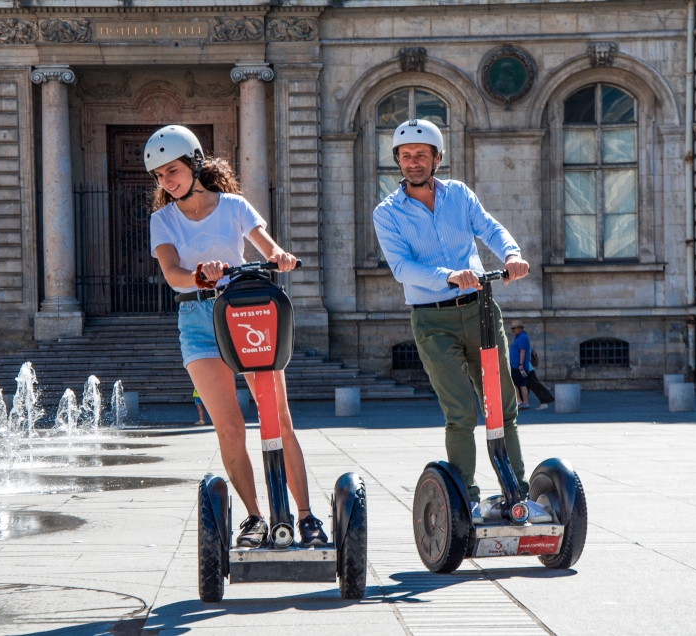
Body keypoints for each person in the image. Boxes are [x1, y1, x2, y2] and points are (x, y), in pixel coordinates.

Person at [146, 125, 328, 548]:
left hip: (245, 312)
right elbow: (172, 273)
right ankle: (254, 518)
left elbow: (267, 247)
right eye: (158, 176)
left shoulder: (234, 207)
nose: (166, 181)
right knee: (228, 427)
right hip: (197, 319)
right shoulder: (163, 220)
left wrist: (278, 257)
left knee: (278, 419)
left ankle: (304, 516)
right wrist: (197, 274)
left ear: (193, 163)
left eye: (171, 170)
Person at [372, 118, 530, 507]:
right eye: (406, 156)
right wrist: (449, 276)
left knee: (502, 405)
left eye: (421, 155)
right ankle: (466, 499)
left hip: (481, 312)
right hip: (432, 320)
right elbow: (402, 268)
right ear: (397, 160)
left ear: (437, 158)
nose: (413, 162)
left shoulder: (459, 194)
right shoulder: (387, 212)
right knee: (460, 412)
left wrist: (511, 254)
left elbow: (489, 228)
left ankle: (518, 493)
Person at [509, 320, 532, 410]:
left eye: (514, 328)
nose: (512, 330)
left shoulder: (522, 337)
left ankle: (519, 401)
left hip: (517, 366)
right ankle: (525, 403)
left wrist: (520, 364)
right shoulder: (521, 337)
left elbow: (523, 351)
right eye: (512, 329)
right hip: (520, 366)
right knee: (522, 384)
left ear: (520, 328)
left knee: (513, 383)